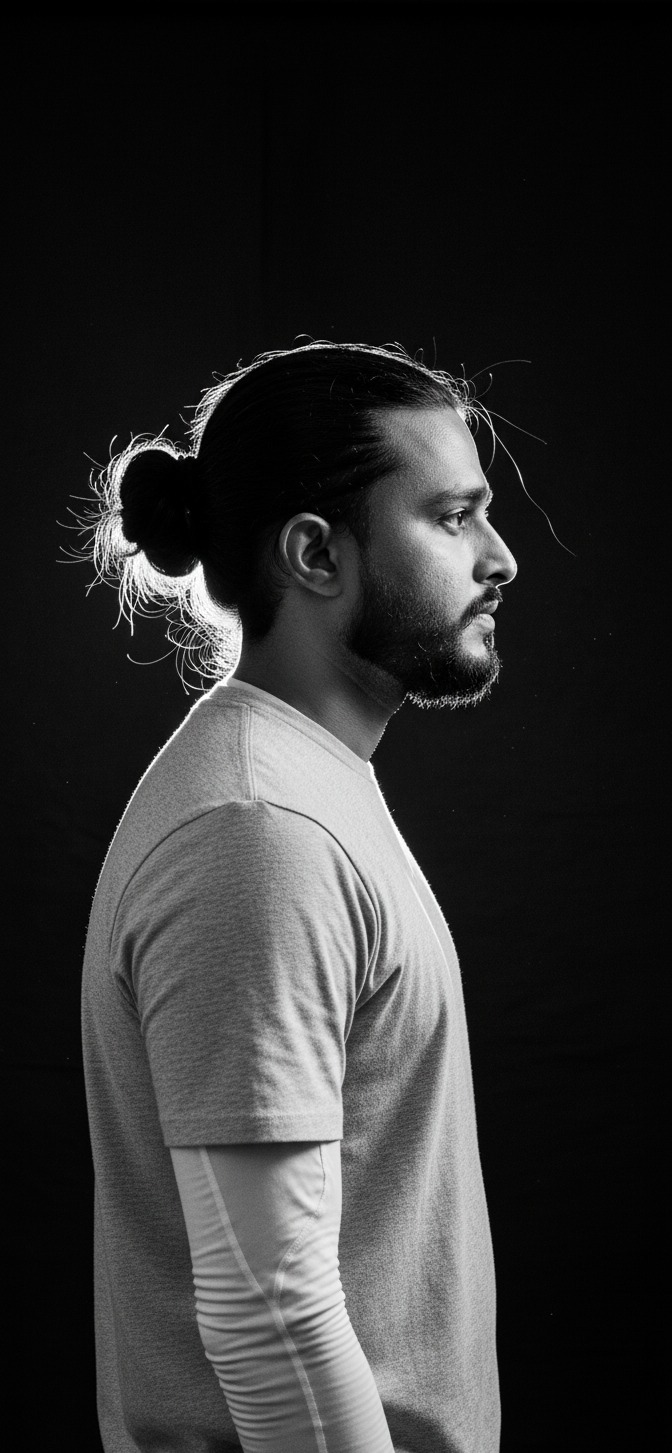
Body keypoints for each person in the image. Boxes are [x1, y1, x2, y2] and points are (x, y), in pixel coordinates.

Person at [80, 341, 517, 1453]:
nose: (501, 557)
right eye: (453, 517)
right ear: (317, 554)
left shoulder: (301, 789)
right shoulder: (257, 830)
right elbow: (268, 1316)